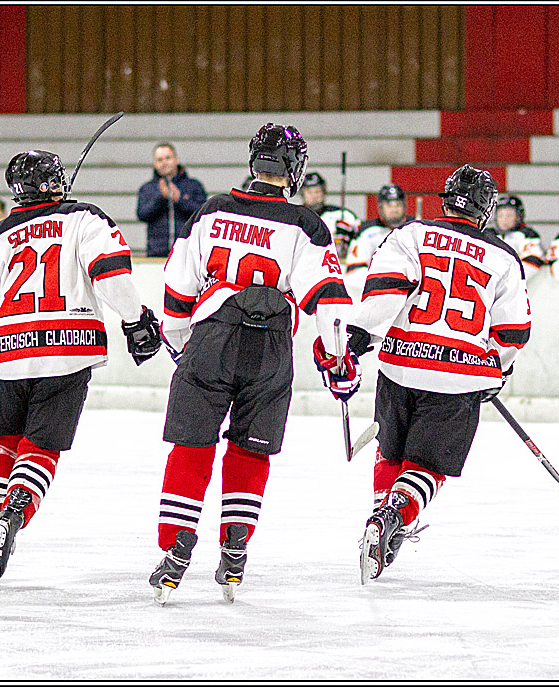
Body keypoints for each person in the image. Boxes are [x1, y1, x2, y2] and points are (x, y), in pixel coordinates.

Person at [149, 123, 356, 605]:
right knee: (251, 449)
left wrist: (182, 344)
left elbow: (178, 287)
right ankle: (235, 546)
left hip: (212, 336)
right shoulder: (307, 225)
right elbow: (329, 302)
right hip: (271, 348)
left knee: (191, 445)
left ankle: (176, 549)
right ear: (295, 169)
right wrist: (339, 361)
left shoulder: (214, 208)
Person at [0, 150, 162, 588]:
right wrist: (134, 318)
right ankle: (14, 511)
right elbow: (110, 275)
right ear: (52, 182)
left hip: (7, 352)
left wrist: (8, 336)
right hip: (69, 350)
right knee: (41, 445)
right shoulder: (85, 219)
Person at [341, 164, 531, 584]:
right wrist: (495, 369)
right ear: (485, 210)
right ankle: (394, 516)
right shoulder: (502, 256)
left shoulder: (410, 234)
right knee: (427, 465)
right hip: (458, 376)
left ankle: (378, 519)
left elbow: (385, 287)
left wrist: (362, 339)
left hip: (398, 364)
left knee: (391, 453)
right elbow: (513, 331)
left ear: (445, 199)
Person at [136, 142, 208, 258]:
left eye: (168, 158)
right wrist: (160, 197)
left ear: (176, 159)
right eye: (160, 160)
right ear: (154, 164)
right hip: (157, 254)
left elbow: (203, 213)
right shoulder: (147, 188)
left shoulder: (193, 186)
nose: (164, 163)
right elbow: (142, 214)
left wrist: (180, 200)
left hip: (188, 253)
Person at [345, 183, 414, 291]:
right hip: (377, 291)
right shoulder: (366, 231)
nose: (394, 210)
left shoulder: (415, 228)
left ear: (404, 206)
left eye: (397, 205)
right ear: (380, 208)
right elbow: (355, 271)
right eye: (389, 205)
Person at [300, 171, 361, 262]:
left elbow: (361, 236)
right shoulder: (297, 217)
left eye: (317, 191)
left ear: (324, 192)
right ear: (302, 194)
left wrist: (346, 238)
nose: (314, 196)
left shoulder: (342, 215)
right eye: (309, 192)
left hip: (337, 267)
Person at [491, 195, 546, 280]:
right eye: (501, 215)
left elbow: (532, 263)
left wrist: (508, 281)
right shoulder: (489, 235)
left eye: (509, 215)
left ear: (519, 216)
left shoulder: (527, 235)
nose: (504, 219)